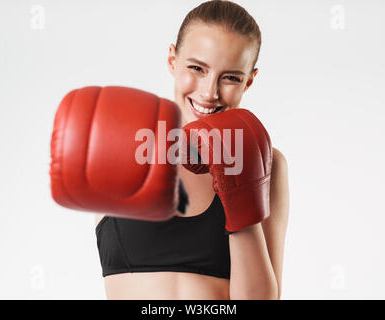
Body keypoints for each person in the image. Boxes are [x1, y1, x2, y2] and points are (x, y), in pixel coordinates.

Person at [93, 0, 289, 300]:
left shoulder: (267, 162)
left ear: (249, 81)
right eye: (197, 68)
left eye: (231, 77)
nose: (209, 92)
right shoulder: (115, 151)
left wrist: (241, 193)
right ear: (172, 60)